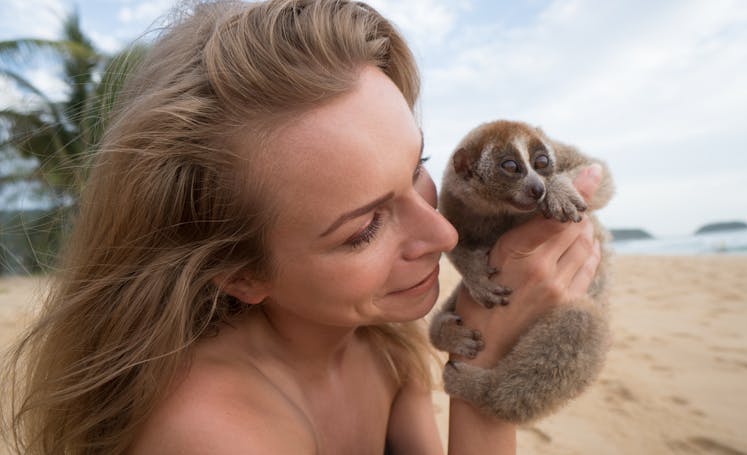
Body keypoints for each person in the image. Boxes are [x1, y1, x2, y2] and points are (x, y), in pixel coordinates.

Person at [0, 0, 602, 453]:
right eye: (364, 228)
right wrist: (488, 377)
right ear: (241, 273)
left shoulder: (383, 346)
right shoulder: (214, 433)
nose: (444, 236)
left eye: (416, 166)